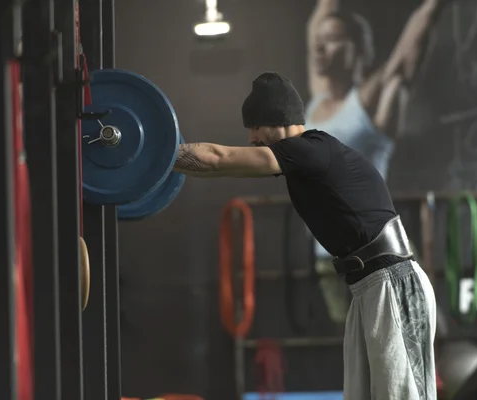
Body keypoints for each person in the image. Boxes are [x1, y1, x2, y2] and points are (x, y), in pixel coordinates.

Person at [173, 71, 437, 400]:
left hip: (393, 282)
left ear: (273, 120)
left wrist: (161, 154)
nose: (252, 139)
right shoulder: (305, 157)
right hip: (368, 287)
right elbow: (221, 164)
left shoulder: (310, 150)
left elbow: (217, 159)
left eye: (253, 127)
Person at [307, 0, 450, 261]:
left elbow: (408, 51)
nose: (319, 47)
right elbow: (323, 11)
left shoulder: (373, 103)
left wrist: (432, 7)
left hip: (374, 250)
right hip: (328, 254)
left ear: (358, 50)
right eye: (319, 39)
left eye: (333, 39)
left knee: (401, 304)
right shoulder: (319, 99)